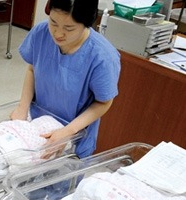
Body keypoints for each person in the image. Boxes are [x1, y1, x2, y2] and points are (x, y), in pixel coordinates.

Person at [10, 0, 120, 158]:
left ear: (86, 24)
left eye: (69, 28)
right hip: (36, 126)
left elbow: (104, 102)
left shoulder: (102, 56)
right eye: (53, 22)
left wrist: (68, 131)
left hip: (74, 137)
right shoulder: (41, 33)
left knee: (61, 179)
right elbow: (32, 69)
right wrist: (22, 107)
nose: (57, 33)